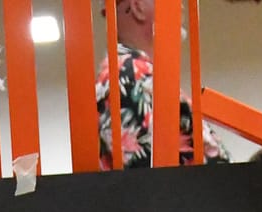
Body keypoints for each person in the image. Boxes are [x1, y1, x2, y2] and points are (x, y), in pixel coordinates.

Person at [97, 0, 226, 170]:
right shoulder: (131, 76)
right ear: (138, 7)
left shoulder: (130, 74)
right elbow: (156, 184)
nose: (181, 5)